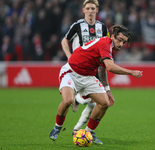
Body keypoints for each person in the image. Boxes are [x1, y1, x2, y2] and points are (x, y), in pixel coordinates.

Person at [49, 25, 143, 144]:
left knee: (105, 103)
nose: (121, 44)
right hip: (71, 72)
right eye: (119, 39)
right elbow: (110, 67)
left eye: (124, 42)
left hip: (88, 76)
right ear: (113, 36)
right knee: (68, 100)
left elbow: (102, 69)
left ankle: (89, 131)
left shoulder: (109, 48)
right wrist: (131, 72)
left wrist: (108, 90)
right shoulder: (105, 43)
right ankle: (57, 126)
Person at [60, 0, 112, 145]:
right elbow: (64, 41)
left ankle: (81, 129)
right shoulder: (77, 25)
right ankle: (84, 130)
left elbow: (106, 45)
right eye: (88, 8)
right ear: (84, 10)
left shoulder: (102, 27)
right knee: (93, 102)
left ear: (97, 10)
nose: (90, 11)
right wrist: (69, 56)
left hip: (94, 68)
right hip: (78, 68)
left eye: (93, 8)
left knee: (98, 103)